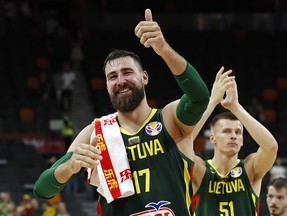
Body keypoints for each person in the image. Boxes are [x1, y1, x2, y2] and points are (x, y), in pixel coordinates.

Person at [33, 8, 210, 216]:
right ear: (107, 85)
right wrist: (70, 167)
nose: (121, 81)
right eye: (112, 77)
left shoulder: (169, 119)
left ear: (144, 77)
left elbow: (199, 98)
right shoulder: (96, 133)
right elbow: (42, 189)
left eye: (127, 72)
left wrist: (163, 49)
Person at [190, 67, 278, 215]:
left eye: (238, 132)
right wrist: (212, 102)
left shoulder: (250, 168)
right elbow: (180, 143)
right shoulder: (200, 169)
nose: (233, 136)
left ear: (242, 140)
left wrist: (236, 107)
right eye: (226, 131)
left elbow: (271, 146)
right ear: (213, 139)